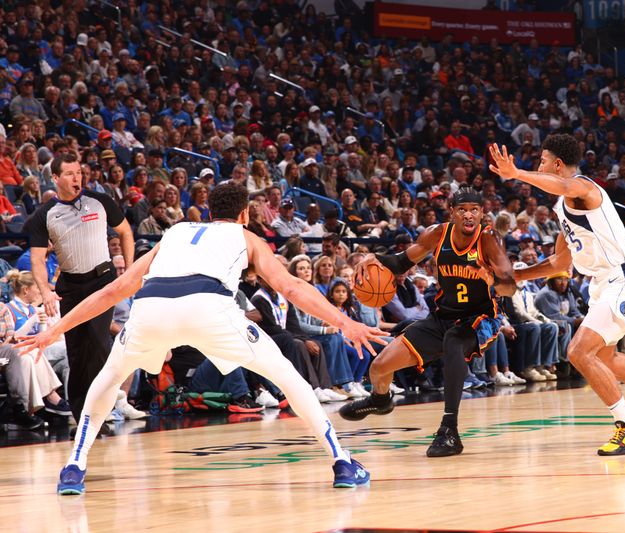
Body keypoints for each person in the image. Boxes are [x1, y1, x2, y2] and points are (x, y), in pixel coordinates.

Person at [19, 183, 385, 495]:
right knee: (287, 375)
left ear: (210, 212)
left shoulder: (175, 232)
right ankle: (341, 462)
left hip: (152, 306)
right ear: (244, 214)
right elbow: (290, 286)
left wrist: (54, 329)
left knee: (109, 377)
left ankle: (74, 467)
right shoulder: (246, 236)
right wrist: (345, 322)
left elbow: (115, 290)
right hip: (209, 307)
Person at [483, 136, 625, 455]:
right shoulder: (563, 208)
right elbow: (559, 262)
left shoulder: (584, 188)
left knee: (578, 352)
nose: (538, 165)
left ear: (557, 165)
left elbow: (565, 188)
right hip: (605, 284)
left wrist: (517, 173)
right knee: (603, 357)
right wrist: (512, 275)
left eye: (541, 160)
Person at [339, 185, 518, 458]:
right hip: (442, 316)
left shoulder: (488, 238)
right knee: (379, 367)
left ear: (482, 213)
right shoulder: (437, 233)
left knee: (454, 342)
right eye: (462, 210)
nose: (469, 216)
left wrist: (493, 281)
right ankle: (380, 399)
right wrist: (374, 257)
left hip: (479, 318)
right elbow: (401, 262)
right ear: (452, 213)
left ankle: (450, 430)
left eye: (474, 210)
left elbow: (510, 287)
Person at [23, 153, 134, 422]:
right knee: (77, 350)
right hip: (71, 286)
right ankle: (82, 412)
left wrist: (128, 272)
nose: (77, 178)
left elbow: (126, 232)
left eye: (79, 172)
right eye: (70, 174)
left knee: (97, 341)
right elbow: (37, 258)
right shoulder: (45, 215)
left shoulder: (100, 201)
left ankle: (103, 403)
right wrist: (46, 291)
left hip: (102, 281)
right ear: (56, 178)